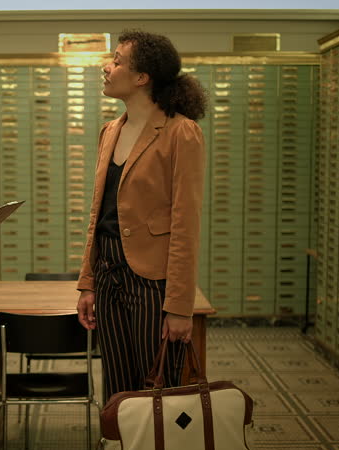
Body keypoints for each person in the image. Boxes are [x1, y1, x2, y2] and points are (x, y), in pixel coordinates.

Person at [76, 30, 208, 402]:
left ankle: (155, 446)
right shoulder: (110, 131)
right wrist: (88, 282)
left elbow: (185, 225)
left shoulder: (181, 132)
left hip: (152, 281)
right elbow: (98, 214)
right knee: (118, 387)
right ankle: (121, 441)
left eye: (117, 61)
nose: (107, 67)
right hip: (108, 274)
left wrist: (179, 308)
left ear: (142, 77)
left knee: (156, 388)